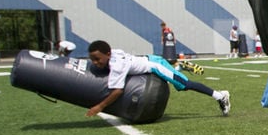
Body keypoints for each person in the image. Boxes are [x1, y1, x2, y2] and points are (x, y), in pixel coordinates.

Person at [86, 40, 230, 117]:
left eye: (98, 59)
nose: (95, 63)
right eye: (92, 60)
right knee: (178, 82)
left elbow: (117, 91)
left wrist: (100, 106)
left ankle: (220, 96)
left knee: (185, 85)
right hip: (150, 60)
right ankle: (179, 68)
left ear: (108, 53)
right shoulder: (114, 53)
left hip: (155, 66)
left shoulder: (116, 65)